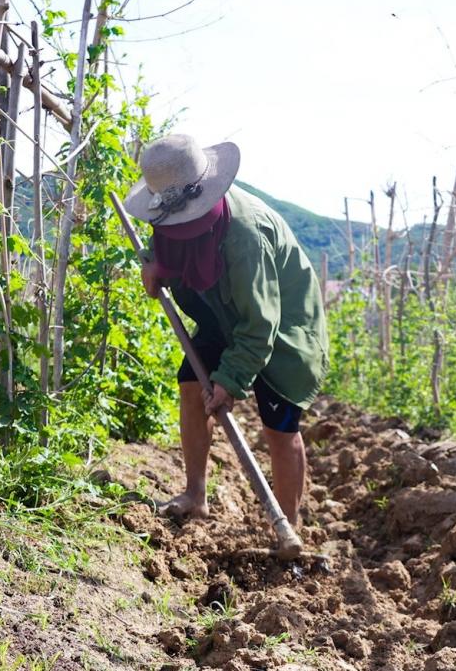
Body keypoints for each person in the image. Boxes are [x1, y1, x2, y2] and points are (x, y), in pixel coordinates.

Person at [129, 131, 327, 527]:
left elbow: (260, 324)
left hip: (283, 328)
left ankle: (286, 524)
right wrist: (155, 266)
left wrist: (231, 380)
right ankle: (195, 495)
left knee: (279, 427)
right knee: (190, 382)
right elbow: (173, 249)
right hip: (221, 311)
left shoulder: (245, 237)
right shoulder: (169, 209)